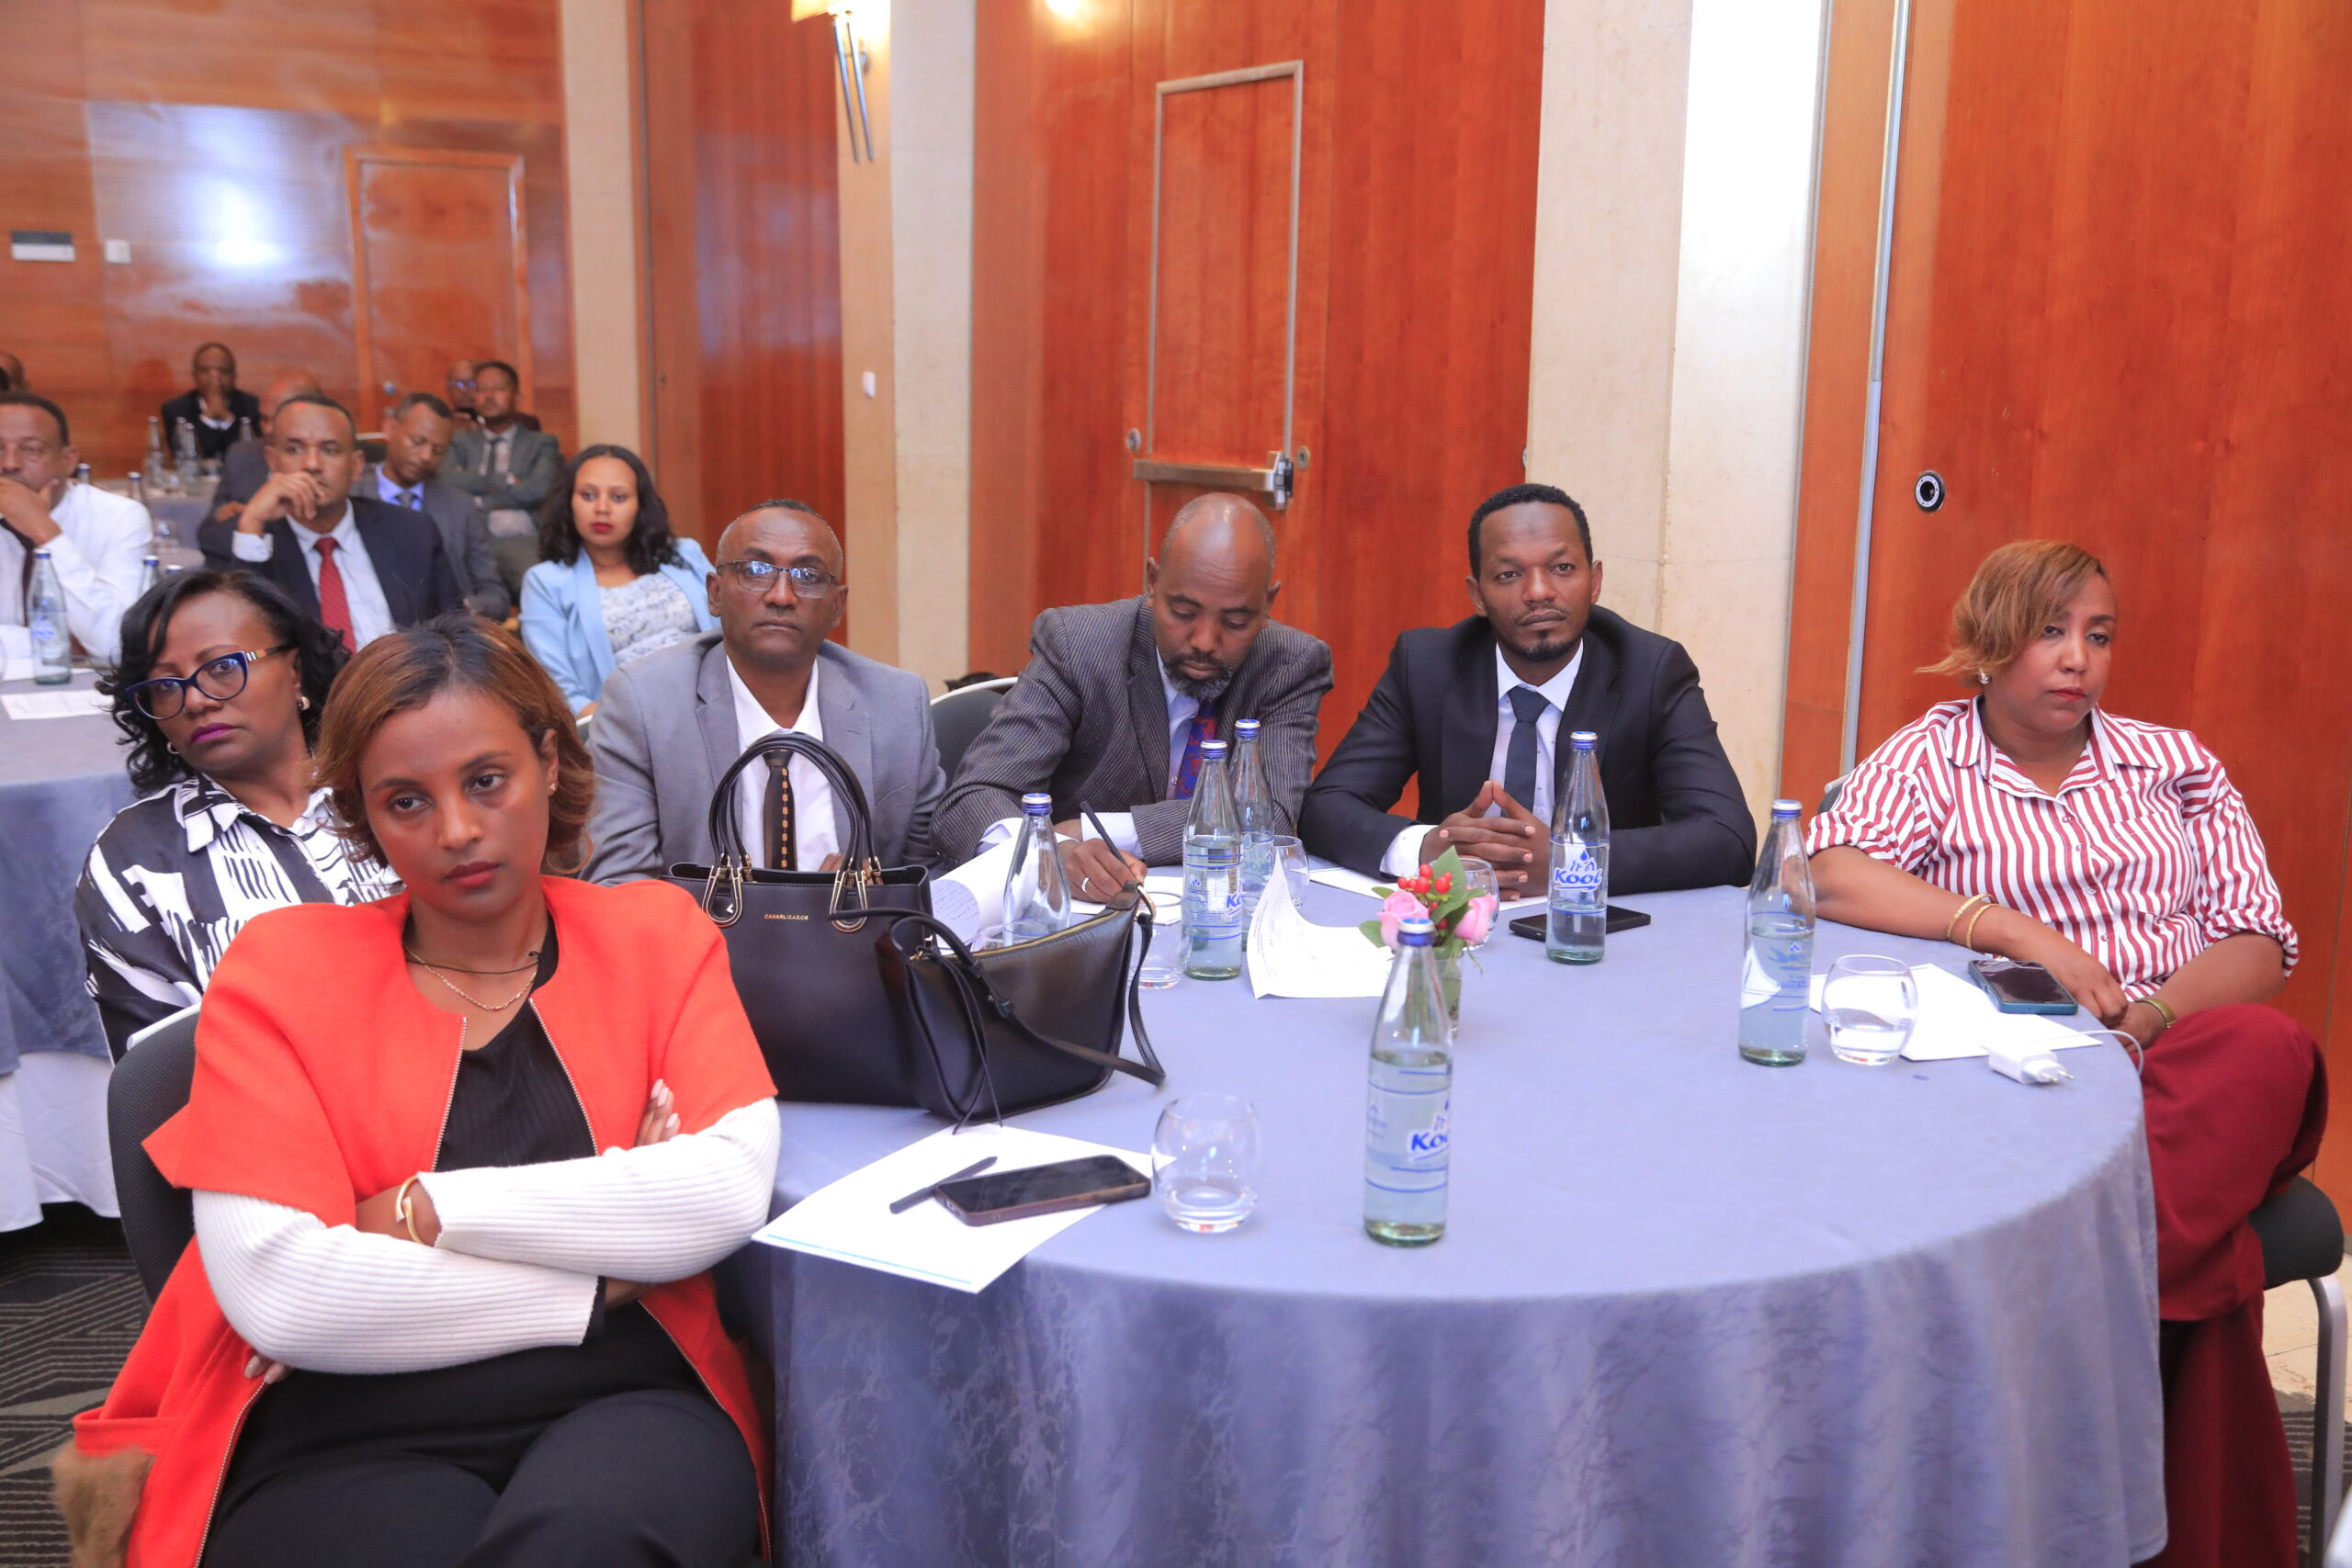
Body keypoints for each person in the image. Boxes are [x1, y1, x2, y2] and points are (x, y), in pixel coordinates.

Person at [57, 615, 777, 1568]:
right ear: (361, 813)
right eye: (405, 801)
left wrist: (417, 1209)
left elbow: (721, 1191)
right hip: (342, 1419)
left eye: (486, 780)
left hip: (627, 1389)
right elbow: (286, 1296)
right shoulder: (280, 972)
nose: (457, 831)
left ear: (548, 762)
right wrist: (604, 1275)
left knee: (588, 1545)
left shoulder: (655, 937)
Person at [1805, 540, 2317, 1568]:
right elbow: (1827, 874)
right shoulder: (1931, 757)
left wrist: (2152, 1015)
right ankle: (2126, 1347)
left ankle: (2046, 1311)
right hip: (2016, 1061)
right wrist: (2012, 929)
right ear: (1990, 643)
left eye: (2098, 635)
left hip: (2183, 1057)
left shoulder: (2174, 764)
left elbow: (2260, 940)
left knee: (2269, 1046)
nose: (2077, 658)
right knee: (2214, 1288)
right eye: (2049, 631)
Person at [1300, 482, 1754, 896]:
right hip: (1459, 921)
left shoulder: (1651, 671)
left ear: (1595, 581)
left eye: (1562, 568)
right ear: (1477, 596)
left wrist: (1569, 864)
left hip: (1595, 926)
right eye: (1509, 575)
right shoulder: (1426, 666)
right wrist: (1428, 849)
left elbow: (1727, 838)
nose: (1539, 591)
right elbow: (1326, 809)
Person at [932, 492, 1333, 899]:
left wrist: (1097, 830)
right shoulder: (1078, 645)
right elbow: (973, 801)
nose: (1205, 641)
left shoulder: (1289, 664)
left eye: (1235, 621)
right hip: (1082, 913)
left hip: (1217, 908)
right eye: (1183, 613)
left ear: (1267, 604)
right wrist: (1049, 854)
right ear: (1152, 582)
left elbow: (1270, 818)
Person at [75, 571, 394, 1057]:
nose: (196, 700)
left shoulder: (392, 793)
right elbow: (159, 1077)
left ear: (295, 671)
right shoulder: (136, 861)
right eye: (166, 685)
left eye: (223, 666)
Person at [583, 498, 944, 880]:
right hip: (699, 921)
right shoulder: (643, 703)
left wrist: (872, 898)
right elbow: (619, 883)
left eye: (808, 576)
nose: (781, 596)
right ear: (715, 593)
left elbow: (932, 875)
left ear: (838, 607)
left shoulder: (896, 704)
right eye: (755, 571)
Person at [197, 393, 467, 649]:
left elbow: (457, 633)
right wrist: (251, 523)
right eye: (294, 449)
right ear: (272, 461)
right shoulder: (238, 541)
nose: (312, 464)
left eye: (329, 450)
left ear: (356, 466)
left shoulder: (412, 531)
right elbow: (233, 645)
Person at [519, 446, 716, 716]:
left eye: (619, 497)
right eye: (588, 495)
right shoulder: (545, 582)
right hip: (623, 723)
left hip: (713, 704)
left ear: (640, 505)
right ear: (568, 502)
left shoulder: (686, 554)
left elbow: (729, 631)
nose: (602, 508)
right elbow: (560, 693)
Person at [0, 390, 150, 663]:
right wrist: (57, 642)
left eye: (31, 449)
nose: (9, 464)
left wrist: (45, 533)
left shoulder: (120, 517)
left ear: (68, 460)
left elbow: (116, 645)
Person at [360, 391, 508, 619]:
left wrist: (463, 609)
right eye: (417, 442)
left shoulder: (460, 507)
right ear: (390, 429)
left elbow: (495, 594)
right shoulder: (351, 495)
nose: (426, 456)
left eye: (438, 450)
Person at [442, 360, 560, 597]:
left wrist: (478, 500)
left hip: (517, 538)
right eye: (481, 389)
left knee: (539, 587)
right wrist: (507, 481)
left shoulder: (541, 443)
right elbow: (447, 481)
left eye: (498, 388)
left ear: (517, 398)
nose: (488, 396)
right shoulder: (458, 441)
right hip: (466, 538)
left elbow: (536, 489)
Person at [208, 370, 321, 528]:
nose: (268, 429)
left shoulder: (330, 463)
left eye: (277, 419)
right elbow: (206, 531)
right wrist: (226, 515)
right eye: (264, 419)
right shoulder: (241, 456)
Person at [158, 342, 263, 466]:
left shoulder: (254, 407)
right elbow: (183, 458)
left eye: (223, 370)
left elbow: (252, 456)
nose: (215, 377)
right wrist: (207, 418)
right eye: (205, 370)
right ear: (194, 375)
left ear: (234, 375)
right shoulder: (175, 409)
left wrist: (228, 419)